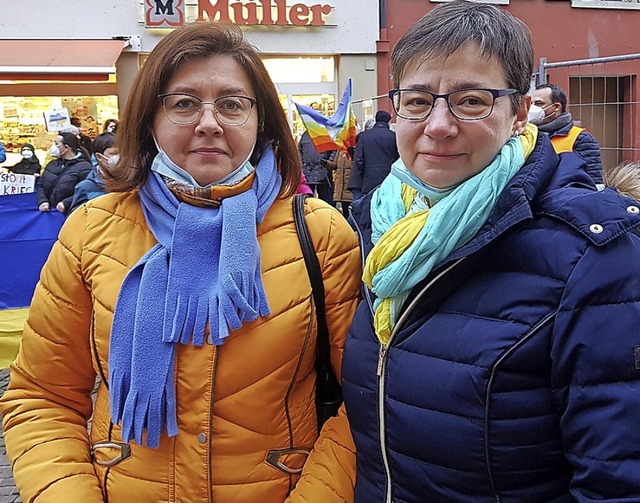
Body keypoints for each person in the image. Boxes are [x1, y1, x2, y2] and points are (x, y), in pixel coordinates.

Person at [290, 2, 640, 501]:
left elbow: (618, 482)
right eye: (416, 101)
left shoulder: (592, 258)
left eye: (471, 101)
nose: (437, 125)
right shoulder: (383, 228)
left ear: (519, 112)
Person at [0, 22, 360, 503]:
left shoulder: (319, 232)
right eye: (184, 103)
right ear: (151, 119)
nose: (209, 122)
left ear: (262, 122)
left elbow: (364, 404)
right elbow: (42, 396)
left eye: (232, 104)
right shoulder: (91, 230)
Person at [532, 83, 604, 185]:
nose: (532, 108)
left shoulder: (581, 139)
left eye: (538, 103)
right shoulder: (528, 135)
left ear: (556, 107)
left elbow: (594, 182)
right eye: (531, 104)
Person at [347, 110, 399, 200]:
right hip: (388, 178)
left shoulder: (364, 136)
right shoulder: (393, 136)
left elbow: (359, 160)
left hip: (367, 179)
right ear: (388, 122)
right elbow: (398, 158)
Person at [36, 132, 92, 214]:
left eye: (56, 144)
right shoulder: (52, 164)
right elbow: (41, 185)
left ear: (66, 147)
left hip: (71, 215)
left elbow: (87, 191)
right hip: (50, 215)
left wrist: (67, 203)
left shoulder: (84, 167)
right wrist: (42, 201)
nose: (53, 147)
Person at [68, 132, 117, 213]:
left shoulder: (131, 182)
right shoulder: (85, 187)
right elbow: (77, 218)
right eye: (113, 154)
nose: (119, 157)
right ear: (99, 157)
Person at [298, 130, 335, 205]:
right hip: (308, 173)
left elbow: (334, 149)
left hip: (323, 173)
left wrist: (329, 162)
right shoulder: (305, 135)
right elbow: (299, 150)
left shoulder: (326, 134)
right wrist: (302, 163)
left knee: (325, 201)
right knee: (308, 201)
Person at [326, 149, 353, 217]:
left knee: (349, 210)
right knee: (344, 210)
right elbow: (335, 165)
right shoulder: (340, 151)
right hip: (340, 186)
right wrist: (326, 163)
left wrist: (352, 154)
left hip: (349, 186)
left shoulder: (355, 150)